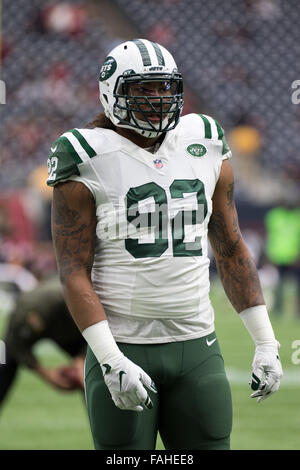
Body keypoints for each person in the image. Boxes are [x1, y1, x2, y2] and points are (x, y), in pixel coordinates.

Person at [47, 38, 282, 450]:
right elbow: (72, 270)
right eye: (142, 89)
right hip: (123, 344)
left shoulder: (204, 137)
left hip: (197, 345)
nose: (157, 99)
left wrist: (265, 341)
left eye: (164, 87)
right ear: (111, 91)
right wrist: (110, 358)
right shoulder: (84, 153)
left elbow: (230, 248)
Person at [0, 276, 86, 408]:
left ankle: (103, 425)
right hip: (28, 324)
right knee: (3, 365)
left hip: (74, 330)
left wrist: (82, 359)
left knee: (91, 374)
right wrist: (46, 374)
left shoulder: (89, 304)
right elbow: (14, 343)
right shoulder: (34, 308)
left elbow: (100, 333)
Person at [264, 202, 300, 316]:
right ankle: (280, 310)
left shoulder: (275, 216)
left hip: (285, 255)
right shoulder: (277, 216)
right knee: (280, 284)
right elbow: (269, 236)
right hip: (284, 255)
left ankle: (285, 310)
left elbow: (269, 236)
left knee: (283, 284)